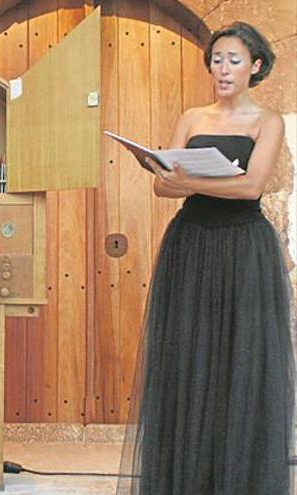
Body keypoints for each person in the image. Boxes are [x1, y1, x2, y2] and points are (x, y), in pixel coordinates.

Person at [118, 21, 294, 495]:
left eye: (234, 60)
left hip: (243, 247)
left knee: (241, 359)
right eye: (217, 59)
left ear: (255, 67)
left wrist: (189, 183)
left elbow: (251, 186)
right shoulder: (194, 116)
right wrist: (168, 176)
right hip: (191, 243)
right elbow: (161, 183)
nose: (223, 69)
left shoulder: (268, 121)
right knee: (187, 358)